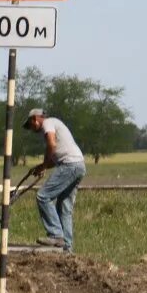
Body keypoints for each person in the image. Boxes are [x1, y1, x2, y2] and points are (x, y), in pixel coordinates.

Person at [23, 108, 86, 252]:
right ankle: (66, 249)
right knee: (64, 208)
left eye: (31, 125)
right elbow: (55, 156)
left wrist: (44, 166)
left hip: (69, 166)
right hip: (78, 165)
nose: (32, 130)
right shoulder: (55, 123)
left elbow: (52, 145)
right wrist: (41, 167)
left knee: (43, 196)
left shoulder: (48, 123)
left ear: (35, 119)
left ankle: (56, 235)